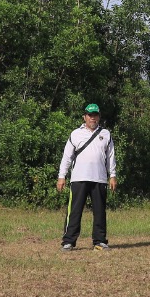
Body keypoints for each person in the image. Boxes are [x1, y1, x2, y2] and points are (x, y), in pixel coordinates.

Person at [57, 103, 117, 251]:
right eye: (90, 115)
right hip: (79, 178)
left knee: (99, 211)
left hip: (99, 179)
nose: (93, 118)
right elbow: (67, 157)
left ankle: (99, 241)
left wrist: (113, 175)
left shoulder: (106, 134)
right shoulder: (75, 134)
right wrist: (61, 176)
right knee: (74, 211)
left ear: (99, 117)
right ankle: (68, 241)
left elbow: (111, 157)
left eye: (95, 115)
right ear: (84, 117)